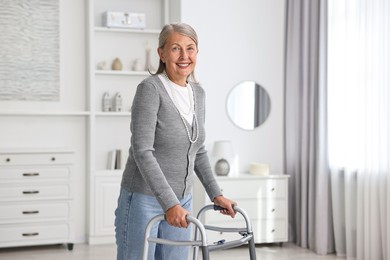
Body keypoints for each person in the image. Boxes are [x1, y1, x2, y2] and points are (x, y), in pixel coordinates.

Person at [114, 22, 236, 260]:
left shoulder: (198, 93)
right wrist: (170, 204)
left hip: (183, 200)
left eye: (190, 48)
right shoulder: (150, 89)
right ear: (161, 53)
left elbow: (197, 149)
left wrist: (215, 194)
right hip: (143, 199)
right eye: (175, 49)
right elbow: (143, 151)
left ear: (197, 53)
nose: (184, 56)